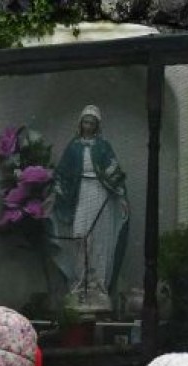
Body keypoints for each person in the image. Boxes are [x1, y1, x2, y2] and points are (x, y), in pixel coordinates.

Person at [51, 104, 130, 313]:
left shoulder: (103, 146)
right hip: (80, 192)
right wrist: (55, 194)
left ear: (97, 126)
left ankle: (97, 284)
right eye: (85, 122)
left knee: (99, 238)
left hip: (99, 191)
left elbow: (114, 172)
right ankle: (79, 281)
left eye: (92, 123)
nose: (88, 126)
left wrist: (121, 196)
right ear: (80, 124)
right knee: (80, 234)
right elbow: (62, 174)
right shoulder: (74, 147)